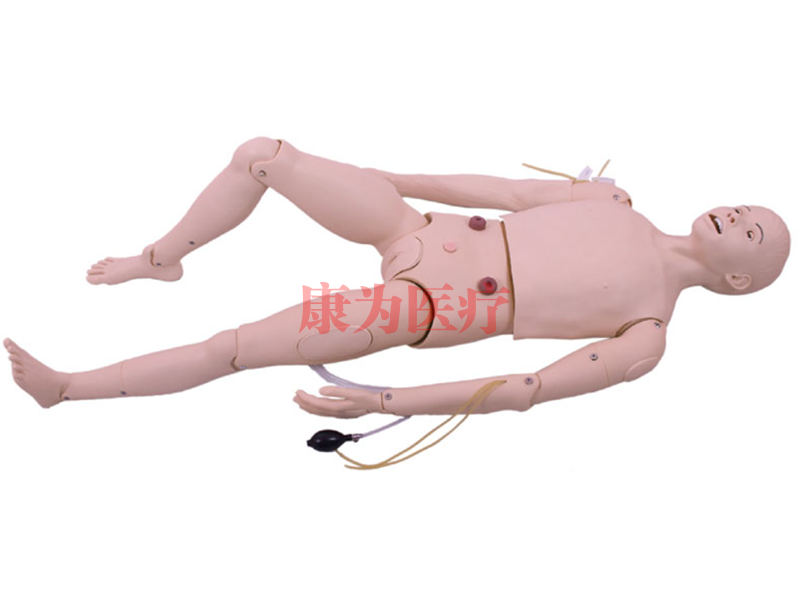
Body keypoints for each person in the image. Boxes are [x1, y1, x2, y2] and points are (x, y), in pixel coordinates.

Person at [4, 137, 791, 418]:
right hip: (416, 229)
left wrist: (389, 402)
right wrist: (392, 178)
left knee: (233, 347)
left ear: (738, 282)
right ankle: (160, 260)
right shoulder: (612, 200)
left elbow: (525, 388)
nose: (737, 213)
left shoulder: (646, 334)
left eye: (752, 231)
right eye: (745, 206)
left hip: (426, 307)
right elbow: (505, 193)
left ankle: (65, 388)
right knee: (265, 155)